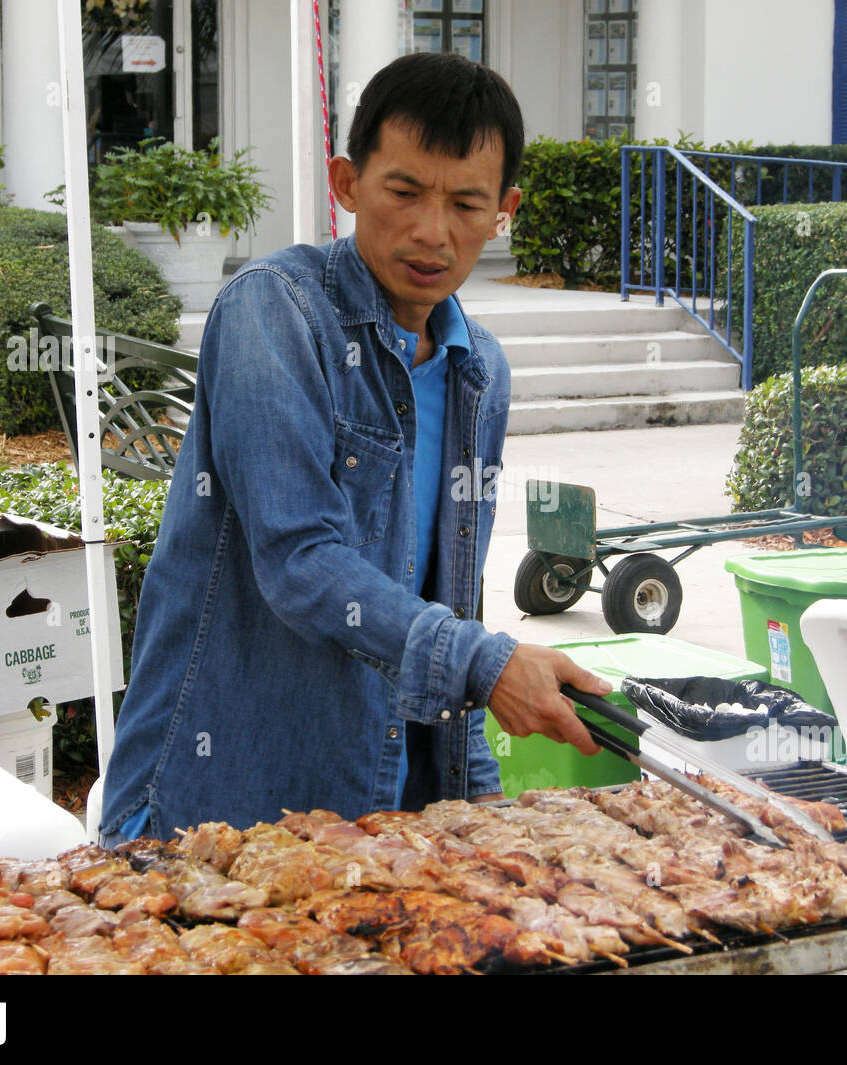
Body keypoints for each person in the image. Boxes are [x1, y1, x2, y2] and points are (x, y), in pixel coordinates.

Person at [99, 52, 608, 845]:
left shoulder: (482, 375)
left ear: (503, 210)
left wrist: (487, 817)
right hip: (215, 809)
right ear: (346, 183)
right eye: (403, 192)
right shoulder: (274, 313)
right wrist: (486, 662)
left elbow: (452, 603)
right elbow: (299, 558)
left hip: (386, 833)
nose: (431, 232)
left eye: (467, 204)